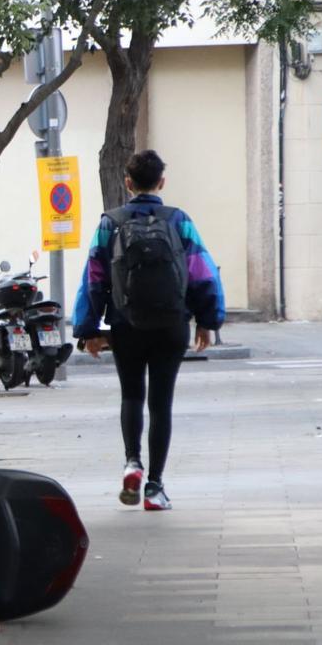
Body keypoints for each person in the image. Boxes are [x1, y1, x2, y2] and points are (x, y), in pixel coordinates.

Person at [72, 150, 225, 511]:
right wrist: (208, 320)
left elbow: (94, 277)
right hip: (171, 325)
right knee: (161, 403)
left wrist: (88, 327)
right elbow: (202, 271)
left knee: (131, 396)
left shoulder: (110, 223)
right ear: (162, 183)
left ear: (128, 183)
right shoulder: (179, 221)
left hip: (127, 324)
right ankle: (155, 488)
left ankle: (132, 462)